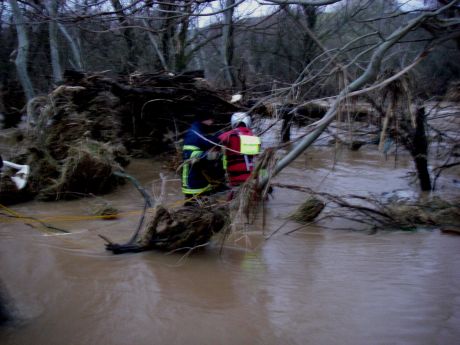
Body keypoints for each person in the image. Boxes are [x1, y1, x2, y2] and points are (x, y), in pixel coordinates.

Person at [181, 113, 223, 204]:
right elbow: (191, 157)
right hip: (193, 184)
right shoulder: (193, 135)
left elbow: (206, 143)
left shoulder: (200, 133)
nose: (212, 122)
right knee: (193, 212)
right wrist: (211, 156)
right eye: (210, 120)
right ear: (204, 120)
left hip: (203, 183)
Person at [218, 112, 261, 189]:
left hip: (234, 178)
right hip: (252, 178)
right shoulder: (255, 138)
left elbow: (218, 142)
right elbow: (258, 159)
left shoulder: (227, 136)